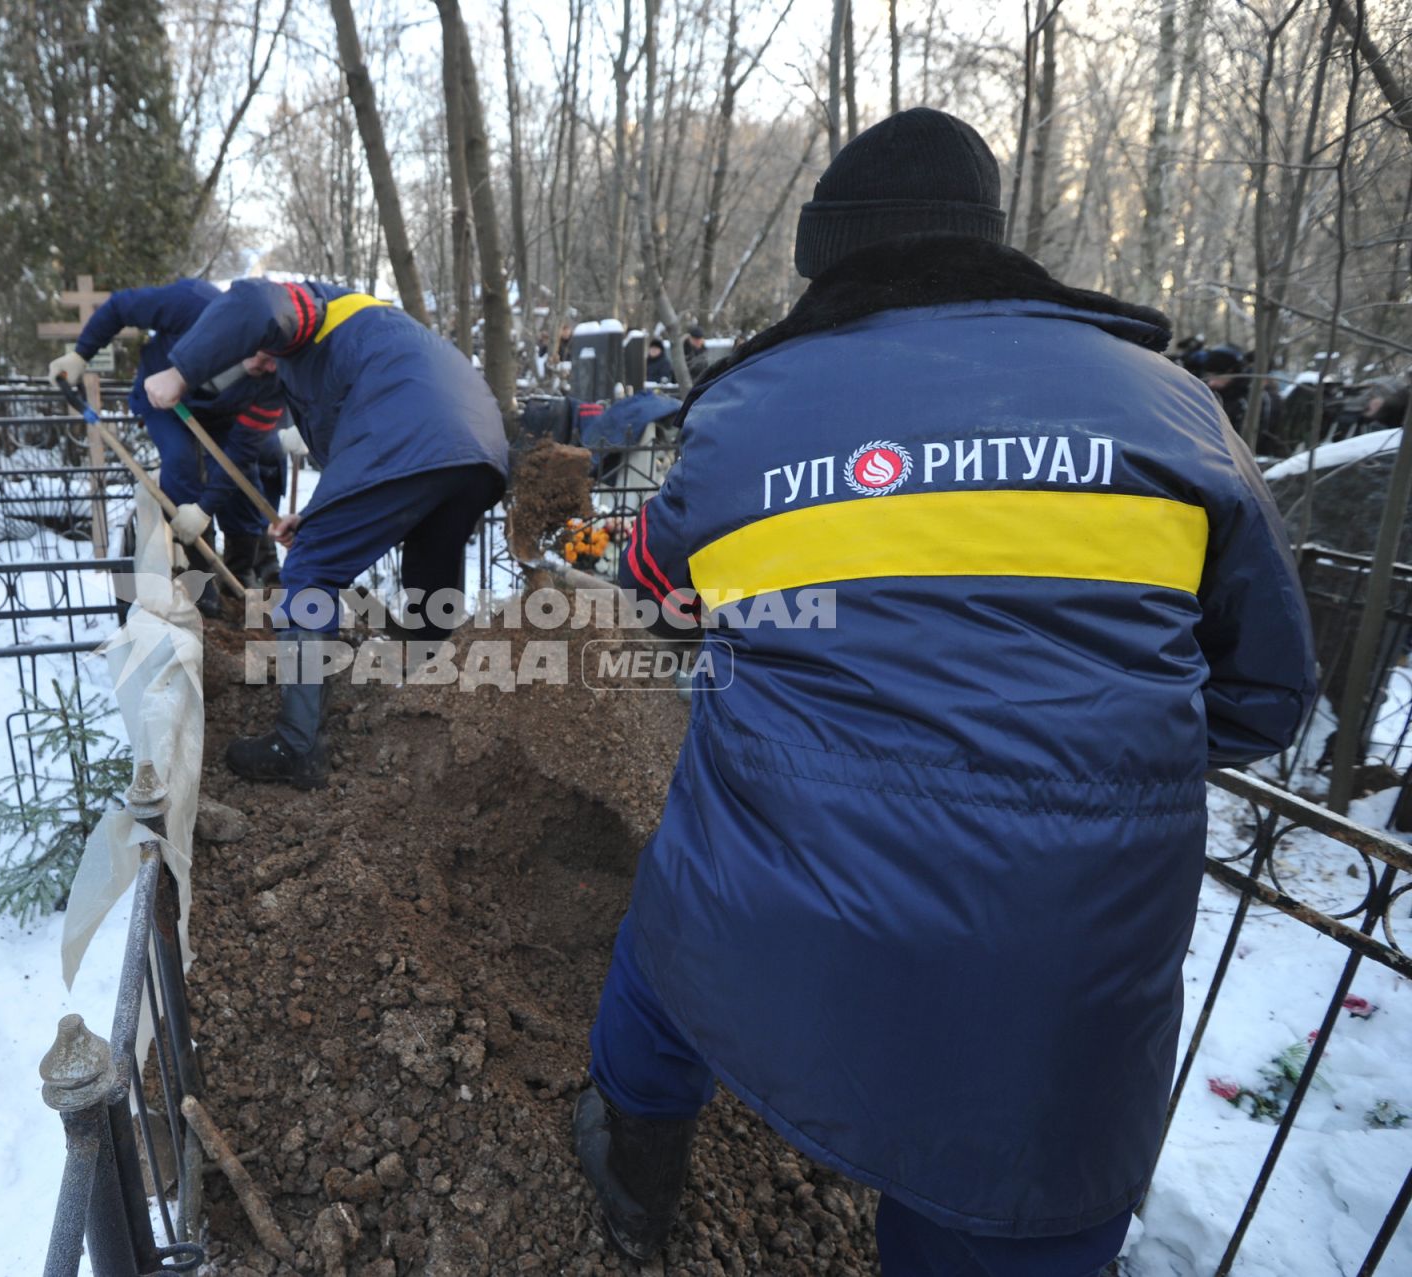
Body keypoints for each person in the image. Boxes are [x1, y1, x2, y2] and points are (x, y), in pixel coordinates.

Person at [576, 108, 1317, 1274]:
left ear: (827, 259)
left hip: (771, 907)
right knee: (1017, 1193)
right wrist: (1089, 745)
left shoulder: (743, 416)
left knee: (673, 941)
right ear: (995, 243)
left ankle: (631, 1157)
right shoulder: (1175, 409)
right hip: (1060, 967)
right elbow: (1267, 692)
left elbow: (660, 600)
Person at [144, 279, 509, 788]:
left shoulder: (315, 311)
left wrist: (181, 370)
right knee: (430, 564)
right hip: (478, 449)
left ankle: (297, 746)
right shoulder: (369, 340)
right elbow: (361, 449)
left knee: (311, 570)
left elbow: (254, 302)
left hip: (412, 435)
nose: (259, 364)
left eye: (258, 351)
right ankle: (436, 697)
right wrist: (314, 515)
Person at [47, 278, 289, 608]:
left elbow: (242, 452)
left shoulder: (273, 377)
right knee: (180, 463)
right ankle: (201, 575)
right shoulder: (191, 303)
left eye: (274, 360)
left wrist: (205, 510)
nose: (264, 366)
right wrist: (81, 354)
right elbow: (121, 306)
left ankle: (239, 572)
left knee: (240, 477)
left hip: (225, 413)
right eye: (258, 354)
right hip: (163, 401)